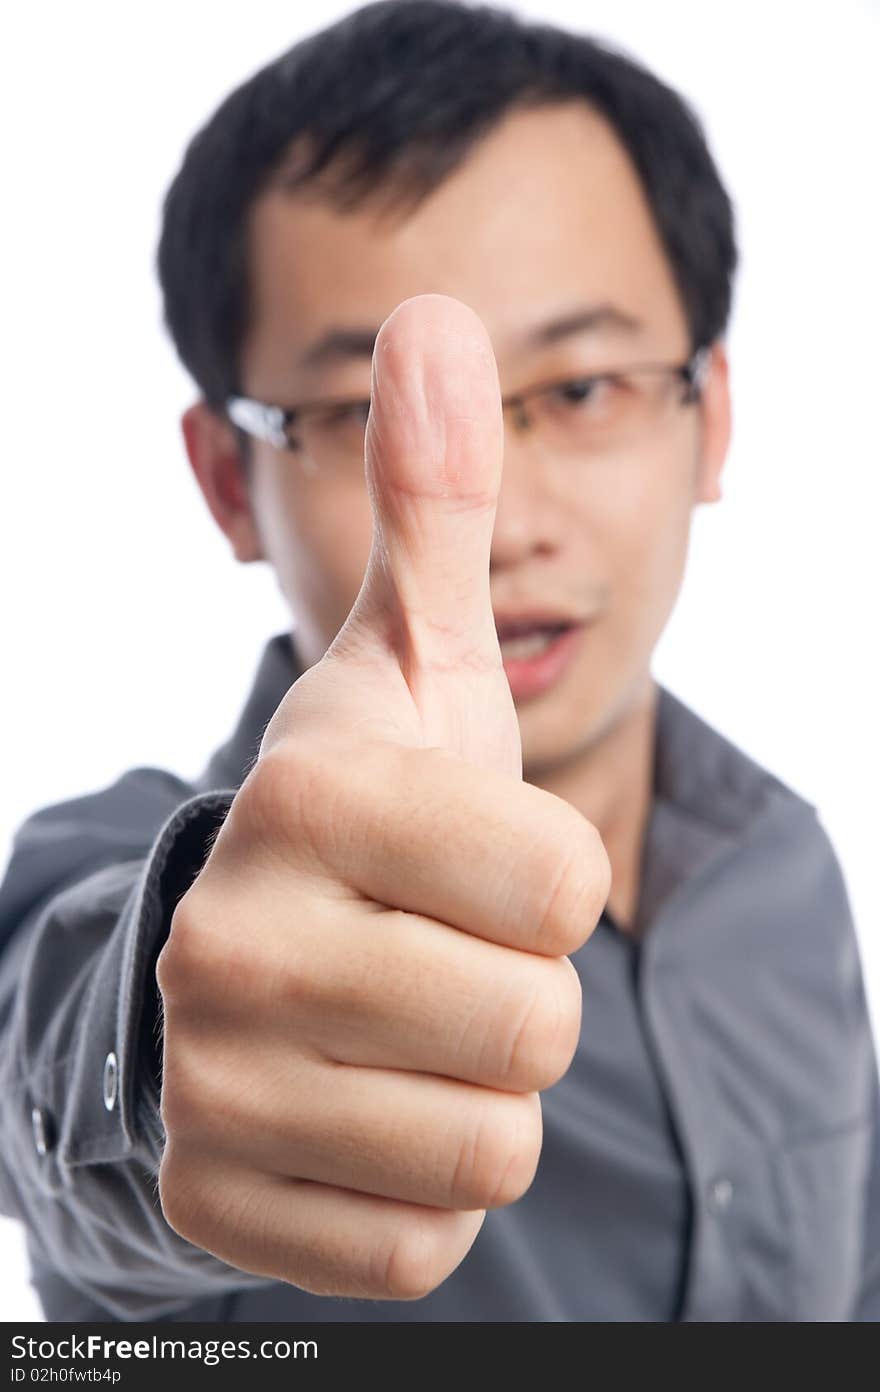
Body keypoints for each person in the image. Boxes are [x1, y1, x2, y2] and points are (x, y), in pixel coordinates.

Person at [1, 0, 877, 1324]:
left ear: (713, 420)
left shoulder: (789, 865)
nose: (509, 523)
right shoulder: (159, 909)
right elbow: (49, 1047)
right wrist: (168, 1045)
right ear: (226, 483)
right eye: (359, 412)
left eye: (583, 388)